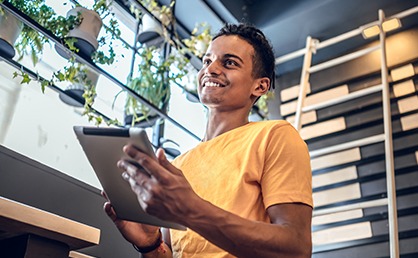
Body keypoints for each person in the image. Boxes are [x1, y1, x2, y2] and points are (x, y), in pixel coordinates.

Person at [103, 23, 313, 258]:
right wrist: (149, 245)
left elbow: (296, 248)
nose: (211, 69)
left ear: (260, 86)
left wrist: (191, 208)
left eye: (229, 62)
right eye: (207, 61)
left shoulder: (274, 135)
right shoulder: (179, 165)